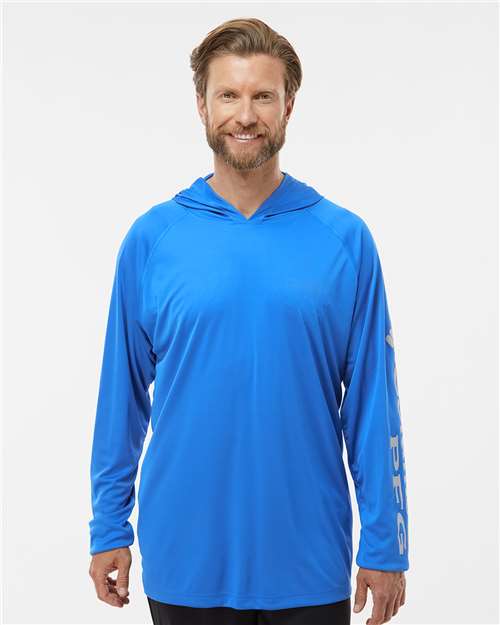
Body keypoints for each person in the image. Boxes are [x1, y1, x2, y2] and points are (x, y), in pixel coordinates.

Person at [88, 17, 409, 625]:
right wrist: (109, 526)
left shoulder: (344, 240)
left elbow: (374, 406)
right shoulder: (153, 240)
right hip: (185, 562)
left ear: (288, 105)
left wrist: (386, 545)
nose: (245, 115)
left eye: (263, 95)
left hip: (309, 562)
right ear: (202, 105)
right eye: (228, 95)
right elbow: (120, 400)